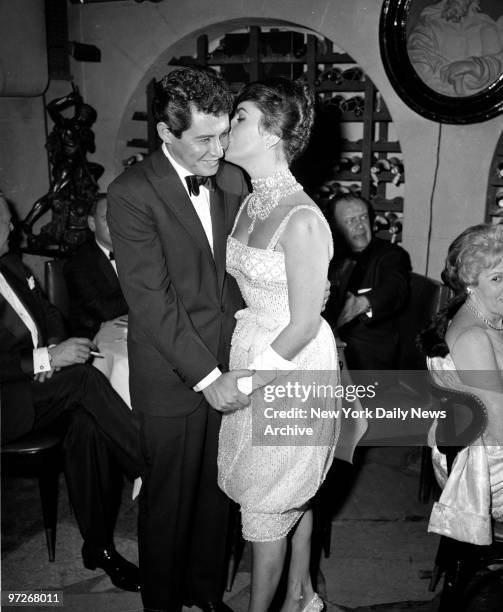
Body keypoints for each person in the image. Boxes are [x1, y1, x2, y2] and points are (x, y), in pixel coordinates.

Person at [107, 66, 252, 612]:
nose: (219, 150)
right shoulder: (130, 194)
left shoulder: (232, 178)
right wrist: (208, 377)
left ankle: (206, 592)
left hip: (231, 361)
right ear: (167, 134)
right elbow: (151, 301)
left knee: (218, 495)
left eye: (224, 134)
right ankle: (163, 603)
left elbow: (234, 278)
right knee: (167, 502)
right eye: (205, 139)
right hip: (173, 375)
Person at [218, 78, 347, 612]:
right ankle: (300, 596)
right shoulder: (250, 203)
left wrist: (248, 380)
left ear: (272, 134)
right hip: (254, 349)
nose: (228, 125)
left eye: (241, 116)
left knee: (269, 507)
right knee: (277, 492)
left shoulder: (303, 218)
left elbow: (302, 324)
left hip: (294, 367)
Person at [0, 194, 141, 591]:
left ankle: (99, 548)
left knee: (89, 425)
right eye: (4, 221)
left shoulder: (11, 265)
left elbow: (50, 315)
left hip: (36, 389)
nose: (14, 227)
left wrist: (55, 353)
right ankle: (151, 465)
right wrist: (44, 360)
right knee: (84, 380)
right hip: (6, 403)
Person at [419, 223, 503, 545]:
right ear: (470, 283)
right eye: (496, 279)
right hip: (481, 468)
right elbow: (498, 427)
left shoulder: (487, 316)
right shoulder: (472, 337)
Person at [324, 194, 411, 370]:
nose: (359, 225)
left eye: (363, 217)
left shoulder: (391, 254)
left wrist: (362, 303)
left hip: (369, 356)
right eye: (350, 220)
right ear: (335, 226)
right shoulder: (328, 255)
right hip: (329, 348)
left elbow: (395, 288)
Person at [64, 193, 128, 338]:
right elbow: (105, 312)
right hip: (96, 341)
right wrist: (146, 290)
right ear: (92, 224)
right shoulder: (77, 264)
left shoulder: (138, 252)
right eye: (107, 218)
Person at [407, 0, 503, 96]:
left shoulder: (486, 26)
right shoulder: (429, 25)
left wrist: (475, 67)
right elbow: (417, 61)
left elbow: (497, 65)